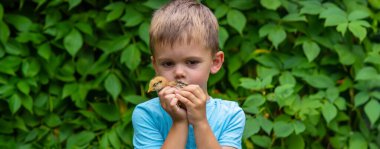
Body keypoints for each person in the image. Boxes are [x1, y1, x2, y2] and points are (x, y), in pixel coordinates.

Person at [132, 0, 245, 148]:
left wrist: (200, 121)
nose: (179, 73)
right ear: (156, 67)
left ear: (215, 62)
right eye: (167, 63)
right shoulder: (146, 114)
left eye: (191, 62)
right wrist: (179, 123)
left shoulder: (231, 115)